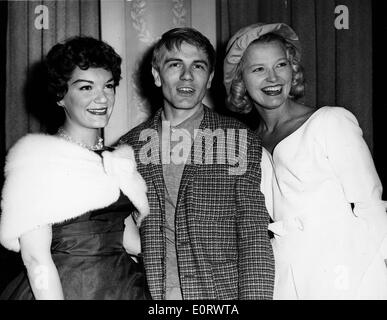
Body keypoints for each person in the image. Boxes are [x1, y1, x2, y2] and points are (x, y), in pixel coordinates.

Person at [224, 22, 387, 299]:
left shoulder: (329, 121)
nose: (273, 78)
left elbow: (371, 205)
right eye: (258, 69)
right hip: (286, 278)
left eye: (281, 65)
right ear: (240, 80)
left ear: (293, 69)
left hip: (349, 275)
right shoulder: (247, 145)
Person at [118, 27, 274, 300]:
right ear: (156, 75)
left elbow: (254, 238)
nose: (187, 76)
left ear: (210, 77)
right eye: (175, 64)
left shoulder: (238, 140)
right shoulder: (129, 147)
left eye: (198, 66)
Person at [0, 36, 151, 300]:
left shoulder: (118, 159)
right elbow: (36, 259)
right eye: (86, 88)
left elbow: (128, 241)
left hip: (124, 288)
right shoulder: (37, 159)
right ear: (61, 96)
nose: (101, 98)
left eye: (109, 86)